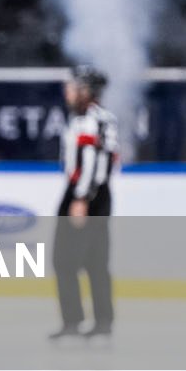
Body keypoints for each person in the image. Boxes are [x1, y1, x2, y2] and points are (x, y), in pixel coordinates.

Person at [50, 64, 117, 339]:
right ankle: (103, 321)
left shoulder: (90, 121)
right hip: (94, 193)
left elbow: (92, 161)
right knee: (95, 261)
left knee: (64, 261)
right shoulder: (95, 118)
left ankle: (73, 321)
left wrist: (81, 197)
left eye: (72, 87)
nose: (66, 91)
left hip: (85, 194)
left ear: (85, 90)